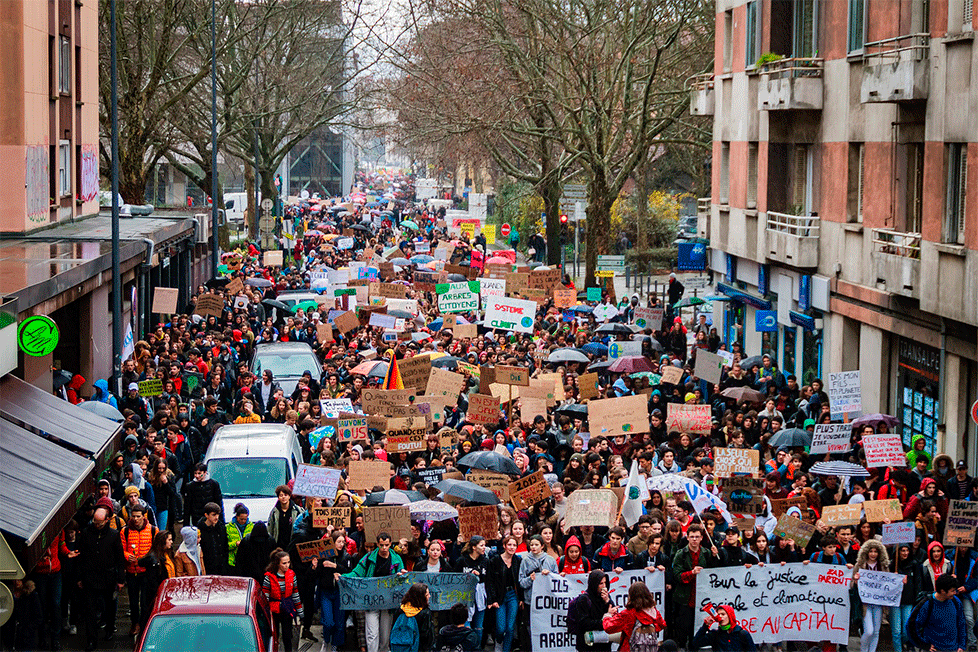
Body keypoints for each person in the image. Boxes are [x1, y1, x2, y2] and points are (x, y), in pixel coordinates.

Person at [346, 533, 407, 652]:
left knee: (385, 637)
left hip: (388, 602)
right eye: (381, 545)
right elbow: (356, 573)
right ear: (377, 544)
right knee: (372, 635)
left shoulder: (396, 559)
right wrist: (343, 577)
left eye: (386, 545)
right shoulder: (368, 558)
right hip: (371, 601)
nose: (384, 548)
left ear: (390, 544)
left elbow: (402, 578)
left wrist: (402, 575)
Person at [77, 505, 126, 651]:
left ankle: (110, 628)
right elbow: (81, 557)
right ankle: (91, 639)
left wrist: (120, 579)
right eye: (95, 522)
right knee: (90, 611)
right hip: (90, 577)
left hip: (108, 577)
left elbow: (119, 557)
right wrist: (80, 577)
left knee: (109, 607)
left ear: (106, 521)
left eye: (99, 523)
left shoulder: (113, 534)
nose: (97, 525)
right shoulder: (86, 533)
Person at [671, 524, 717, 649]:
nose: (694, 539)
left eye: (697, 537)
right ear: (687, 538)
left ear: (702, 538)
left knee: (697, 628)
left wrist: (714, 557)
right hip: (684, 597)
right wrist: (691, 573)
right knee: (683, 627)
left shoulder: (706, 553)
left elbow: (714, 572)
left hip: (701, 597)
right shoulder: (681, 554)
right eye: (692, 537)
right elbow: (677, 575)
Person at [120, 504, 158, 638]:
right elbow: (121, 548)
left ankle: (144, 624)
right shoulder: (125, 531)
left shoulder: (153, 530)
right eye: (133, 516)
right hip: (131, 571)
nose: (135, 519)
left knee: (145, 601)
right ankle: (135, 623)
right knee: (133, 600)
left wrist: (148, 558)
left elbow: (156, 548)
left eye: (138, 516)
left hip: (146, 572)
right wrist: (126, 555)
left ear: (144, 516)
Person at [314, 531, 355, 652]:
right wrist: (314, 567)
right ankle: (326, 641)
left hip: (339, 593)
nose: (341, 544)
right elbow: (316, 575)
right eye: (339, 541)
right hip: (326, 592)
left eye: (343, 542)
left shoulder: (347, 556)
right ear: (332, 542)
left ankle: (335, 645)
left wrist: (335, 566)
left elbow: (349, 572)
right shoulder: (324, 555)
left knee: (339, 623)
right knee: (328, 622)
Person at [853, 539, 895, 652]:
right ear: (866, 552)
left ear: (879, 553)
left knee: (876, 632)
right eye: (870, 551)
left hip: (878, 604)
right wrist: (855, 580)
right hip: (865, 604)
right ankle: (863, 650)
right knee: (869, 631)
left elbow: (889, 584)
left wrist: (897, 579)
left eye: (875, 551)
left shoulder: (884, 565)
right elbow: (851, 584)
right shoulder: (860, 565)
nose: (873, 554)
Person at [908, 573, 967, 652]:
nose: (955, 593)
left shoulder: (956, 601)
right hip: (934, 649)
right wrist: (923, 644)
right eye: (952, 591)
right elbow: (911, 625)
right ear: (943, 591)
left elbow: (962, 623)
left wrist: (961, 645)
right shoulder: (927, 604)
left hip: (953, 648)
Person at [601, 581, 666, 652]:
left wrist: (607, 616)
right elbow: (662, 624)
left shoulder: (629, 613)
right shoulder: (653, 611)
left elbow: (608, 627)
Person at [486, 535, 522, 652]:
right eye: (509, 545)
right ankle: (499, 641)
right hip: (500, 596)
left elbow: (520, 580)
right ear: (504, 546)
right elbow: (490, 581)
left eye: (514, 545)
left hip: (513, 595)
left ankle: (506, 650)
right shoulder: (495, 560)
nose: (512, 547)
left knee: (510, 627)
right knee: (501, 628)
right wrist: (492, 599)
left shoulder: (518, 560)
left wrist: (520, 598)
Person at [263, 549, 304, 652]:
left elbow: (295, 594)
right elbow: (265, 596)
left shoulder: (291, 574)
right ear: (278, 564)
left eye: (288, 562)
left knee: (287, 636)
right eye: (284, 563)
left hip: (287, 608)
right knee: (274, 636)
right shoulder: (269, 577)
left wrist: (300, 611)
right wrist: (266, 613)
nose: (287, 565)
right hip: (274, 610)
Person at [566, 570, 615, 652]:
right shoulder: (584, 599)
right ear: (594, 584)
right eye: (601, 583)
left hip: (604, 645)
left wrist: (607, 601)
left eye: (605, 583)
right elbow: (584, 623)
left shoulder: (605, 597)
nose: (604, 586)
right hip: (588, 646)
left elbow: (614, 615)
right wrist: (603, 621)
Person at [137, 530, 175, 621]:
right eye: (169, 540)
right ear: (162, 541)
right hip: (157, 596)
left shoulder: (167, 554)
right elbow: (153, 583)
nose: (172, 542)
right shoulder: (154, 560)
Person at [689, 604, 756, 652]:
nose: (720, 616)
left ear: (730, 616)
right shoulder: (714, 634)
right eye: (718, 614)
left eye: (723, 614)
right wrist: (705, 626)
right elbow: (696, 643)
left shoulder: (743, 634)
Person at [391, 583, 436, 652]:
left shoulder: (400, 610)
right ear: (421, 597)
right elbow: (427, 637)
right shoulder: (425, 613)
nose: (429, 596)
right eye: (427, 595)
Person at [267, 484, 303, 550]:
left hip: (292, 544)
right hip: (278, 544)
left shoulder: (297, 510)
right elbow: (270, 529)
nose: (283, 497)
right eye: (281, 495)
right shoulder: (274, 512)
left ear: (289, 496)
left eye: (285, 495)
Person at [197, 502, 229, 576]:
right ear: (206, 515)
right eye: (214, 515)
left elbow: (225, 546)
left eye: (218, 514)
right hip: (208, 566)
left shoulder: (221, 527)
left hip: (221, 566)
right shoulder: (200, 529)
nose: (216, 517)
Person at [226, 502, 254, 570]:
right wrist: (235, 544)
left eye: (245, 519)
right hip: (233, 561)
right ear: (236, 516)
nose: (243, 521)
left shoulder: (252, 527)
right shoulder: (228, 527)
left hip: (248, 561)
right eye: (241, 519)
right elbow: (225, 546)